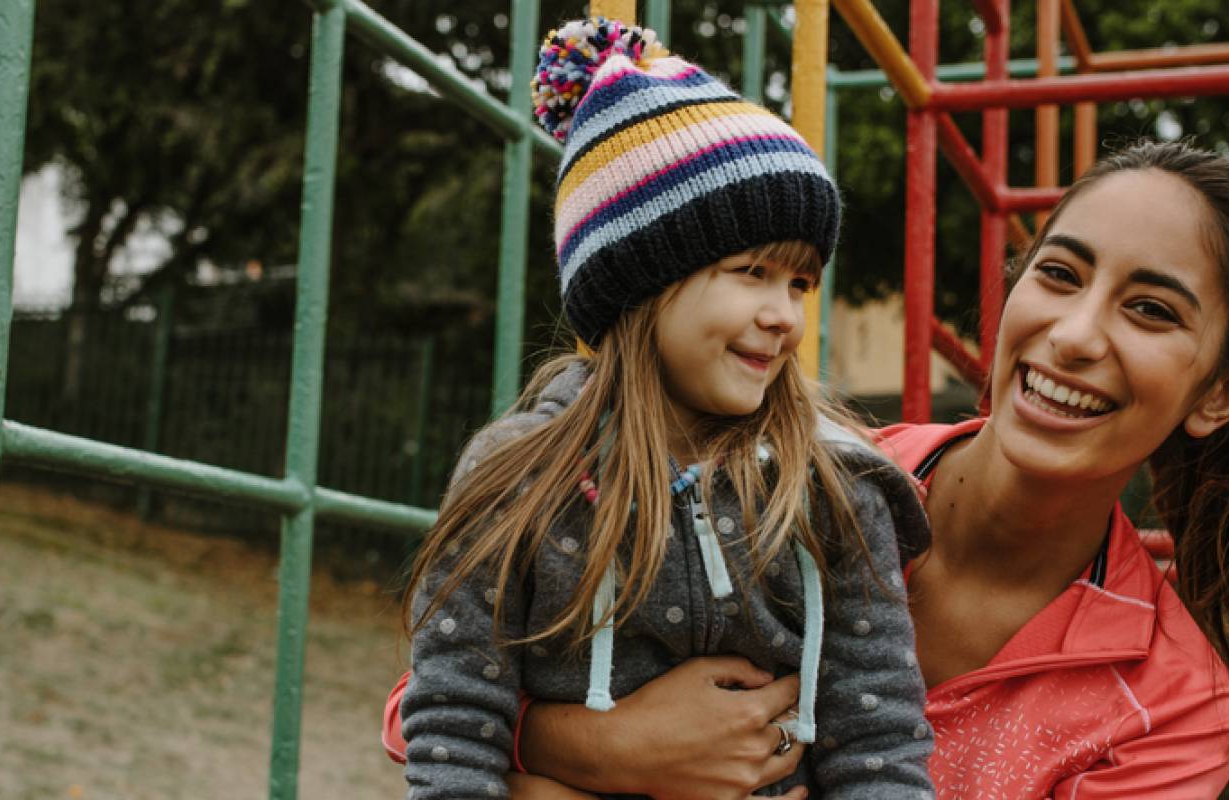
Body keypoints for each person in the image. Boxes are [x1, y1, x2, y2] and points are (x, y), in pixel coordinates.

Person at [387, 139, 1229, 799]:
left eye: (1152, 309)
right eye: (1061, 272)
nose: (1076, 333)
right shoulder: (798, 479)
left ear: (1222, 391)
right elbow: (426, 703)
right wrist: (610, 745)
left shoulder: (1169, 706)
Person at [396, 17, 938, 800]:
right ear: (640, 285)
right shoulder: (522, 477)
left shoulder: (835, 485)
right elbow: (453, 720)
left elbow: (879, 736)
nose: (787, 315)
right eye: (751, 271)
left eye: (800, 283)